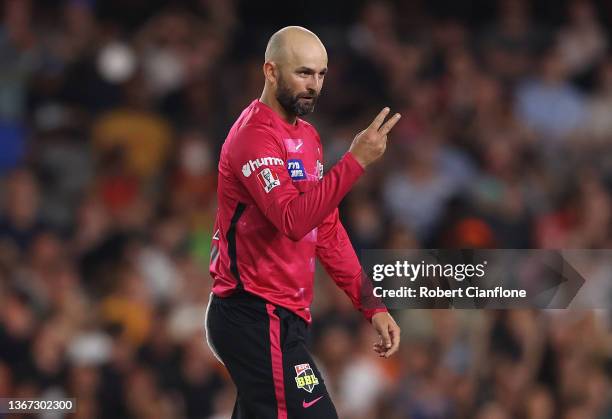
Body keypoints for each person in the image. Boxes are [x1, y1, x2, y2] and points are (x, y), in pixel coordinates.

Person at [205, 26, 401, 419]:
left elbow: (324, 229)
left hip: (284, 318)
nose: (314, 86)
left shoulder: (307, 137)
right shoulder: (253, 137)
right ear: (271, 71)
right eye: (303, 73)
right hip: (254, 316)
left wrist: (371, 305)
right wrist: (355, 162)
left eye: (321, 74)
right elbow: (292, 220)